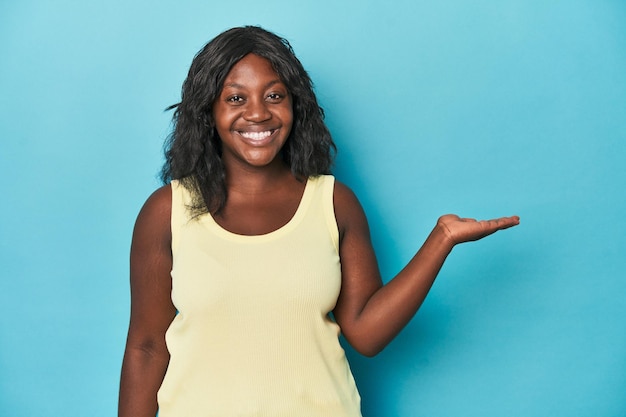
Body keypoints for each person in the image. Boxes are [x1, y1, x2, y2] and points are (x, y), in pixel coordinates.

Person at [118, 26, 519, 417]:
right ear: (209, 112)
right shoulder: (168, 211)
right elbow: (147, 346)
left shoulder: (333, 203)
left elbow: (365, 333)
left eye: (274, 95)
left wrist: (442, 239)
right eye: (236, 98)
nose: (258, 113)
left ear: (296, 104)